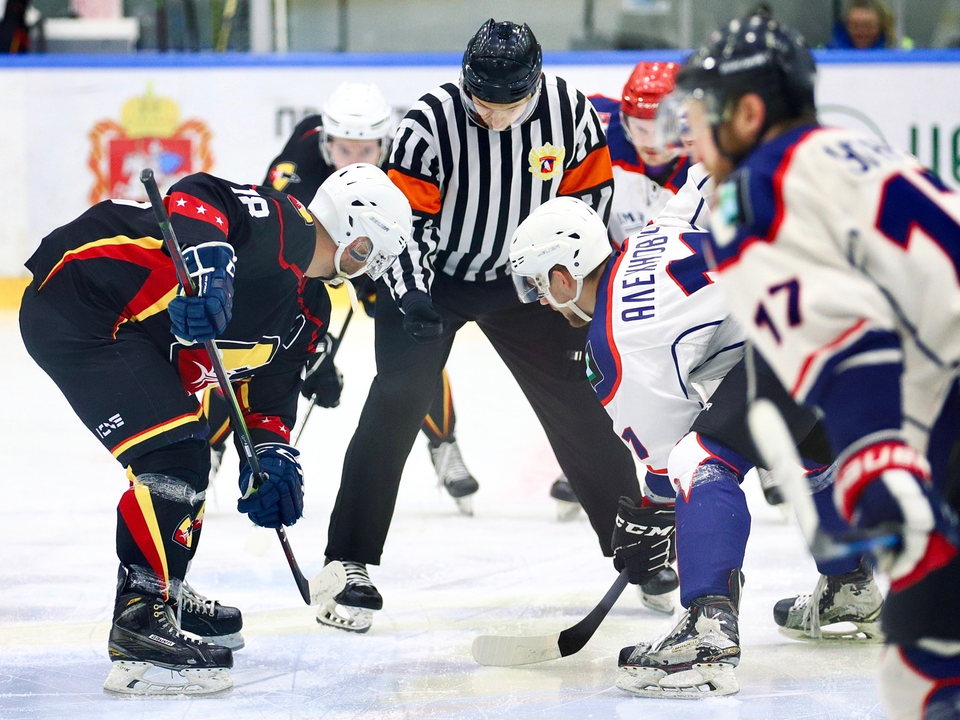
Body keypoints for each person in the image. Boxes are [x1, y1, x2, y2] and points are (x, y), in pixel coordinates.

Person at [19, 163, 410, 696]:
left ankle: (164, 588)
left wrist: (271, 458)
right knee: (177, 455)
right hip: (82, 299)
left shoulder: (309, 306)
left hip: (127, 329)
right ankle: (140, 619)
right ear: (360, 239)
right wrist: (211, 271)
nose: (373, 269)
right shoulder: (283, 224)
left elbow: (267, 395)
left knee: (186, 445)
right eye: (377, 254)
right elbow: (198, 195)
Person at [670, 12, 960, 717]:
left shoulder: (750, 193)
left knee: (929, 670)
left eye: (706, 108)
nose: (691, 128)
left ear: (749, 110)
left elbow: (847, 345)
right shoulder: (853, 148)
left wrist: (874, 467)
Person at [315, 18, 643, 634]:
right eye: (481, 100)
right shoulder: (428, 123)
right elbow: (407, 223)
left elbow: (586, 206)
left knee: (582, 404)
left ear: (534, 84)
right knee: (396, 399)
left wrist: (563, 277)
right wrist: (410, 294)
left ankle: (640, 551)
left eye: (508, 102)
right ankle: (347, 562)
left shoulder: (571, 114)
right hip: (437, 276)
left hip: (529, 280)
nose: (492, 113)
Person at [508, 169, 880, 696]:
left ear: (565, 274)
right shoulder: (654, 231)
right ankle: (851, 585)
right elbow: (708, 178)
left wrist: (652, 522)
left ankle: (708, 629)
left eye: (537, 284)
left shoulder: (615, 347)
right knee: (802, 447)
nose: (540, 300)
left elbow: (672, 465)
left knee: (699, 460)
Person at [204, 81, 480, 512]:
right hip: (313, 252)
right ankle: (212, 447)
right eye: (344, 150)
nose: (352, 159)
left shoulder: (400, 171)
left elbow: (411, 241)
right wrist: (317, 352)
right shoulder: (295, 168)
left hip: (373, 252)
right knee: (251, 342)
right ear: (325, 141)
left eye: (366, 151)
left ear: (384, 146)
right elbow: (269, 246)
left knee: (412, 345)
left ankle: (444, 443)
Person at [828, 0, 896, 49]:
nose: (861, 32)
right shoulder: (827, 56)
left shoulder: (898, 57)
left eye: (868, 26)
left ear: (881, 26)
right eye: (855, 26)